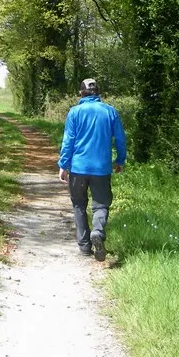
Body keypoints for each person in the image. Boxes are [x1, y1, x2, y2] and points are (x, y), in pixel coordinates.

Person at [58, 78, 127, 261]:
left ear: (81, 93)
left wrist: (63, 165)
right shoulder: (110, 112)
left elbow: (68, 141)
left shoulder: (74, 112)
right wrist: (120, 160)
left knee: (79, 204)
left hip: (78, 168)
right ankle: (97, 231)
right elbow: (120, 139)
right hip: (101, 169)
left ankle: (85, 247)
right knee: (101, 204)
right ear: (98, 93)